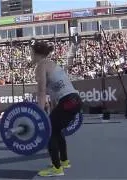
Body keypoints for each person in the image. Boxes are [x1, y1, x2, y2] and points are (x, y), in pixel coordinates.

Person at [30, 41, 82, 177]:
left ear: (36, 54)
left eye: (31, 53)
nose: (30, 55)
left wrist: (39, 115)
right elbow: (53, 95)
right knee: (56, 129)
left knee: (49, 130)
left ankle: (57, 168)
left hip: (68, 101)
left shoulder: (41, 65)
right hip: (74, 100)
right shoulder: (51, 64)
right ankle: (64, 161)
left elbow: (41, 92)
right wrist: (52, 112)